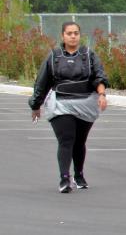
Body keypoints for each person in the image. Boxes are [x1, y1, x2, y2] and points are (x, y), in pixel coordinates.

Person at [29, 22, 108, 193]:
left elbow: (99, 78)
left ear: (80, 35)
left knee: (80, 142)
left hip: (85, 103)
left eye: (76, 33)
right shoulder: (54, 56)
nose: (73, 36)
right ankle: (64, 178)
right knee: (66, 140)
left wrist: (102, 95)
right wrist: (36, 105)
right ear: (63, 36)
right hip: (61, 105)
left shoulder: (89, 55)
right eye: (69, 33)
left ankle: (79, 175)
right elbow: (42, 83)